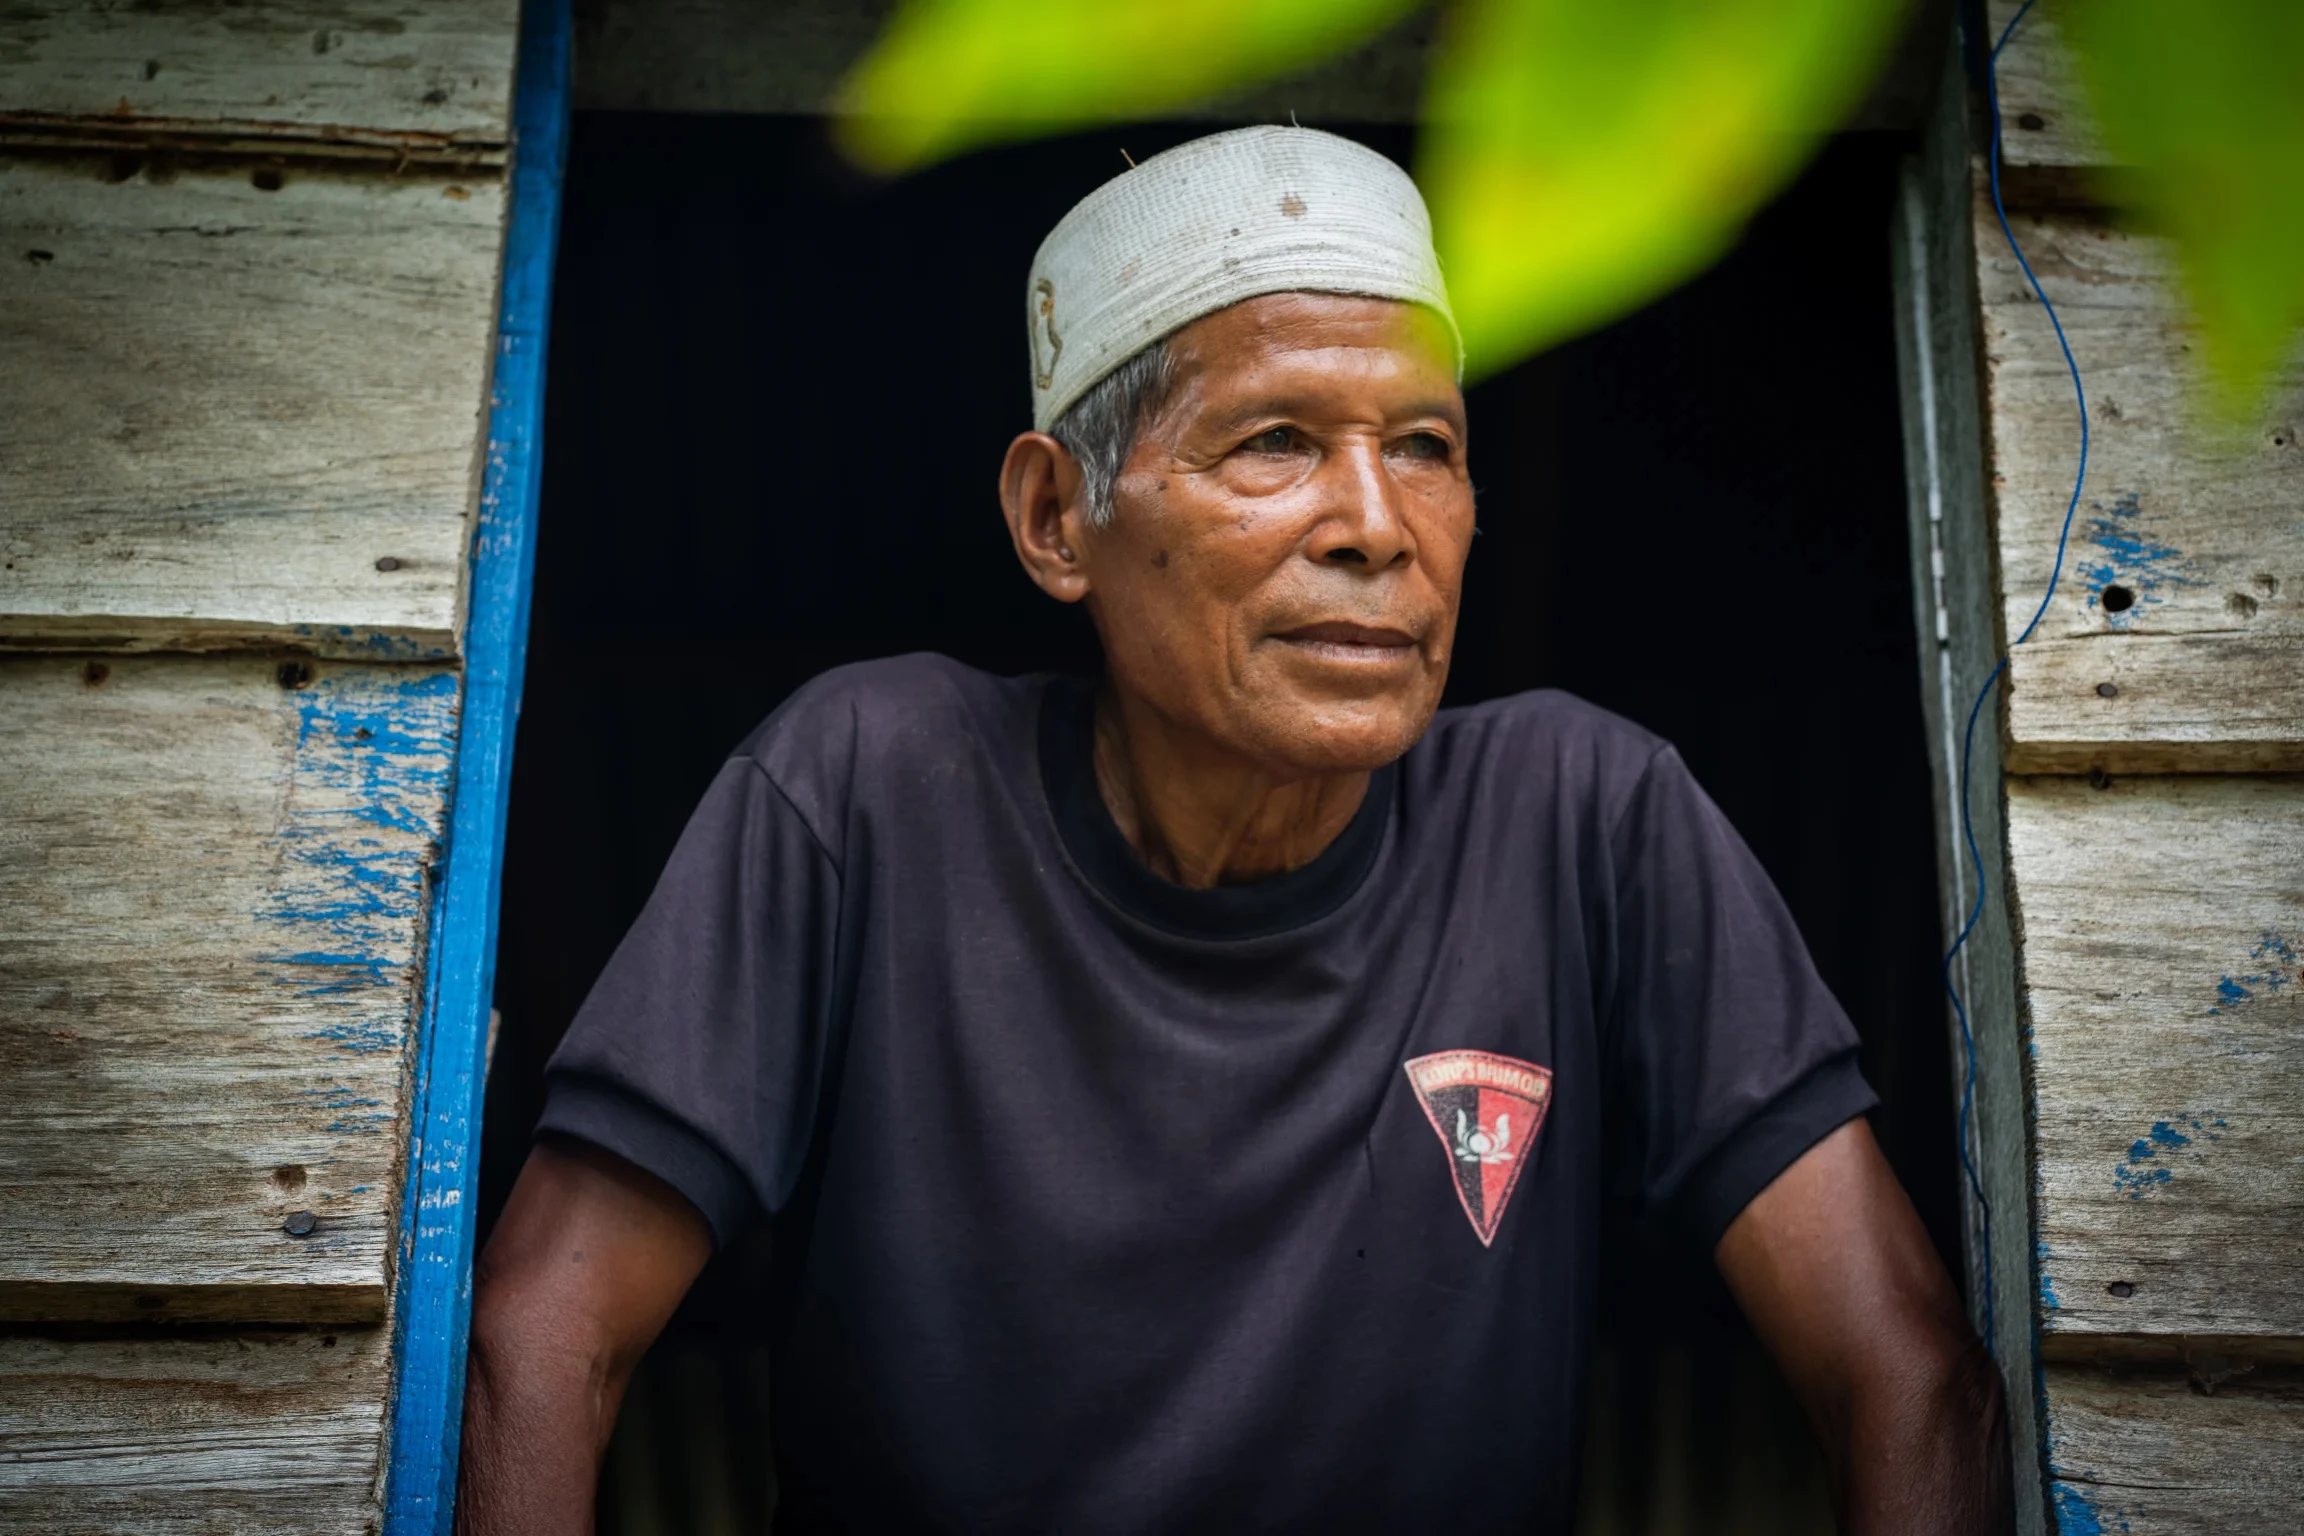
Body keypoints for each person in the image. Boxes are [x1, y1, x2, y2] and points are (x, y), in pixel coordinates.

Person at [458, 127, 2008, 1534]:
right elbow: (545, 1338)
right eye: (1273, 441)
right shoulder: (870, 787)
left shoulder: (1583, 816)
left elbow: (1908, 1378)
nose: (1377, 523)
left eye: (1426, 447)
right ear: (1058, 519)